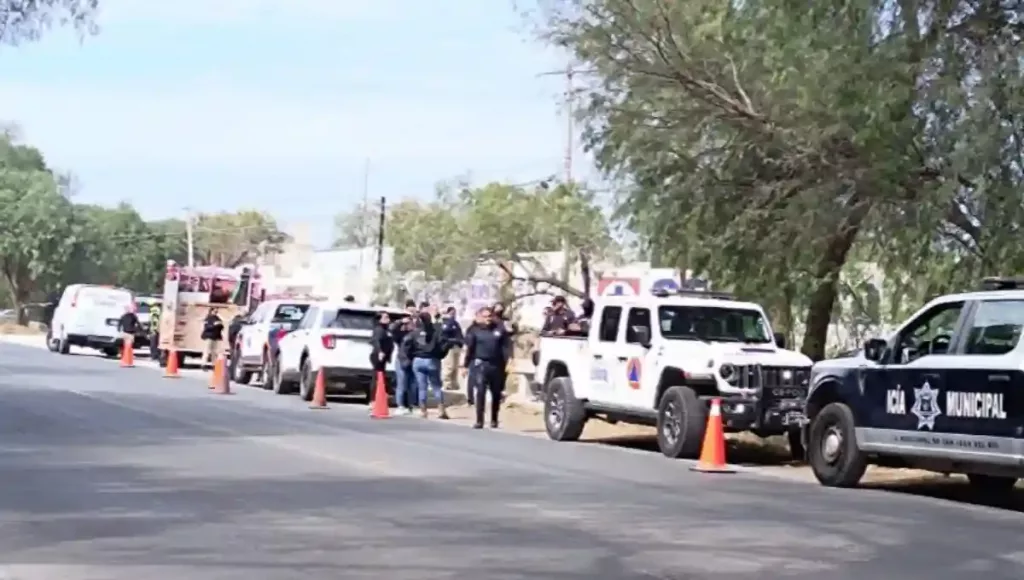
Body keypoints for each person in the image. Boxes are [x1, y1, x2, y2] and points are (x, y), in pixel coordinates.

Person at [462, 306, 512, 429]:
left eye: (489, 316)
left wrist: (510, 360)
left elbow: (506, 346)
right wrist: (465, 365)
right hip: (480, 364)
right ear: (480, 317)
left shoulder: (499, 329)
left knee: (496, 393)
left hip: (496, 365)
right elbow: (469, 349)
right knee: (480, 391)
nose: (488, 319)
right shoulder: (474, 330)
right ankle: (480, 420)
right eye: (485, 316)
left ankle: (494, 419)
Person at [405, 311, 446, 419]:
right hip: (432, 359)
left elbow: (408, 345)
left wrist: (410, 356)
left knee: (422, 387)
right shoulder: (436, 332)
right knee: (436, 386)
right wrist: (440, 355)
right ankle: (441, 410)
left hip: (418, 360)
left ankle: (423, 410)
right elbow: (442, 345)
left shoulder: (415, 332)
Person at [389, 299, 418, 414]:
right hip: (402, 360)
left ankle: (412, 405)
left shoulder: (416, 333)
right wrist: (401, 321)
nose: (411, 323)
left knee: (413, 385)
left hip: (413, 360)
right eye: (409, 322)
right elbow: (392, 329)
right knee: (402, 383)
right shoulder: (400, 334)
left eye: (412, 322)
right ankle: (400, 405)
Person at [369, 311, 395, 411]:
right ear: (379, 319)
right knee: (377, 377)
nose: (388, 319)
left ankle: (379, 397)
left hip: (384, 356)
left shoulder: (386, 329)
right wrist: (380, 351)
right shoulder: (379, 329)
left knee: (381, 377)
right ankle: (373, 400)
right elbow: (376, 341)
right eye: (385, 317)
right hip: (377, 355)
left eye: (388, 317)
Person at [439, 306, 464, 393]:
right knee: (449, 366)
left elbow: (459, 334)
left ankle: (454, 383)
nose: (453, 315)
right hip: (449, 347)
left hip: (457, 347)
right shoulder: (445, 323)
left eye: (454, 313)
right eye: (452, 313)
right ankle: (447, 384)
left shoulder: (455, 323)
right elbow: (444, 335)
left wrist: (460, 342)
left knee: (455, 366)